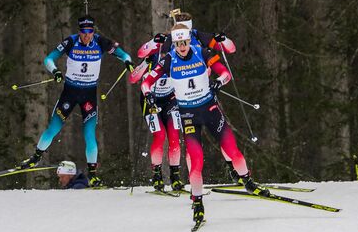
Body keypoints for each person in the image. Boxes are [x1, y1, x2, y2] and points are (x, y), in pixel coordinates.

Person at [141, 24, 268, 224]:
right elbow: (146, 82)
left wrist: (219, 82)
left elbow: (225, 73)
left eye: (185, 42)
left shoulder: (202, 52)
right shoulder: (167, 60)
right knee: (196, 161)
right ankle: (198, 203)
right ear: (174, 43)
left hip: (209, 110)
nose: (183, 47)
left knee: (233, 151)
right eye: (179, 43)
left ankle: (248, 181)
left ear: (189, 40)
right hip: (189, 115)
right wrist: (148, 95)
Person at [18, 15, 134, 187]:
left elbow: (124, 54)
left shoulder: (101, 42)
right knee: (54, 128)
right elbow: (48, 59)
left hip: (89, 94)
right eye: (83, 32)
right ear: (79, 31)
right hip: (70, 93)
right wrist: (56, 72)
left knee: (89, 135)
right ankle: (35, 157)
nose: (87, 36)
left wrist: (127, 61)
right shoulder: (70, 42)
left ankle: (93, 174)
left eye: (90, 32)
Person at [136, 12, 240, 182]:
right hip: (181, 97)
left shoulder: (199, 36)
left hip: (204, 93)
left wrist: (224, 39)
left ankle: (234, 169)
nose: (184, 41)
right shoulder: (170, 40)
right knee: (187, 140)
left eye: (188, 32)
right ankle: (188, 179)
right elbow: (142, 53)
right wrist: (152, 43)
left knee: (220, 131)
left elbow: (230, 48)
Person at [129, 52, 184, 192]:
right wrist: (145, 62)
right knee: (159, 136)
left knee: (174, 137)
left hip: (170, 99)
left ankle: (175, 177)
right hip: (150, 100)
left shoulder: (178, 58)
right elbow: (133, 78)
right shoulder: (153, 58)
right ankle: (157, 175)